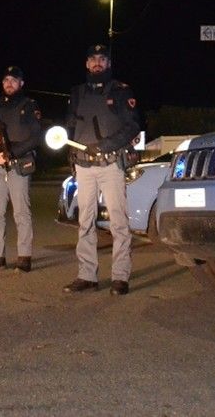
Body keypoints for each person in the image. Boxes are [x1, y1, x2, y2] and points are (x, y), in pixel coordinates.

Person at [62, 44, 141, 295]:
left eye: (102, 59)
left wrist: (104, 146)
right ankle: (87, 276)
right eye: (93, 59)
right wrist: (72, 158)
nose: (97, 63)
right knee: (84, 222)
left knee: (118, 222)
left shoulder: (120, 91)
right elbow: (70, 128)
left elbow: (131, 127)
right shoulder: (76, 93)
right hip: (84, 167)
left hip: (110, 164)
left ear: (108, 63)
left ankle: (120, 277)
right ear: (87, 64)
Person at [0, 64, 44, 272]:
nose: (9, 83)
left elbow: (35, 136)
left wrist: (11, 153)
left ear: (21, 83)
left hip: (18, 163)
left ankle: (24, 257)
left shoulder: (29, 104)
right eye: (5, 80)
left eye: (13, 80)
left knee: (21, 212)